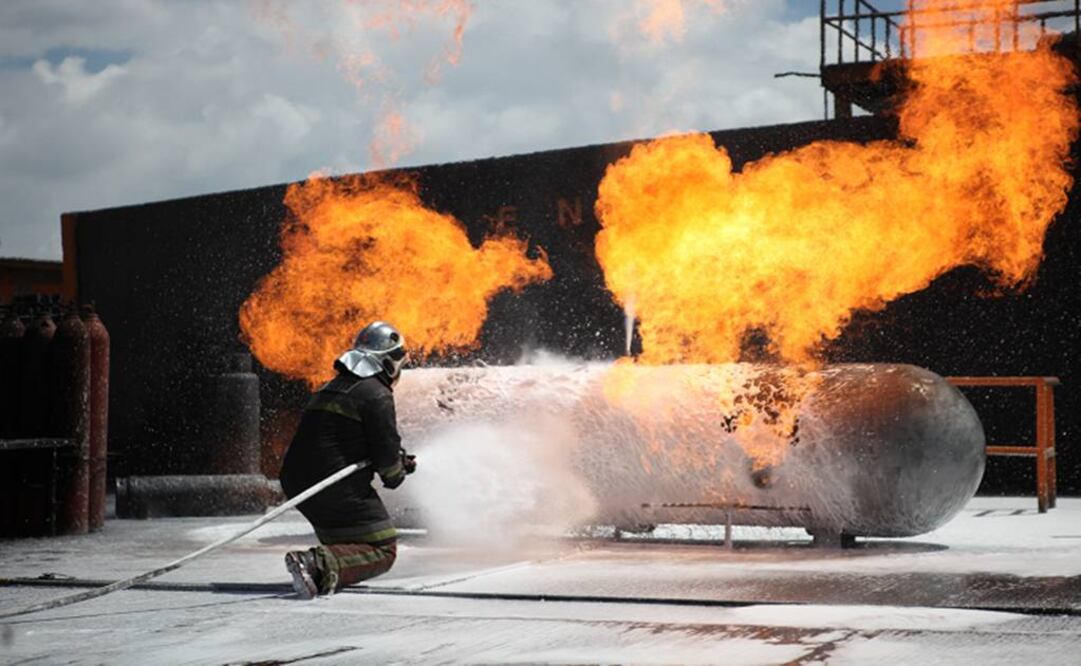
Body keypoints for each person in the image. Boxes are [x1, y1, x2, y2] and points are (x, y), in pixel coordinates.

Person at [280, 321, 417, 599]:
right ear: (388, 362)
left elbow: (342, 437)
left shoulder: (330, 387)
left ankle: (315, 569)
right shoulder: (377, 394)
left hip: (298, 483)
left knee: (350, 543)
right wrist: (397, 471)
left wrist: (394, 460)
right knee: (382, 548)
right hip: (333, 485)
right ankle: (313, 563)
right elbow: (387, 461)